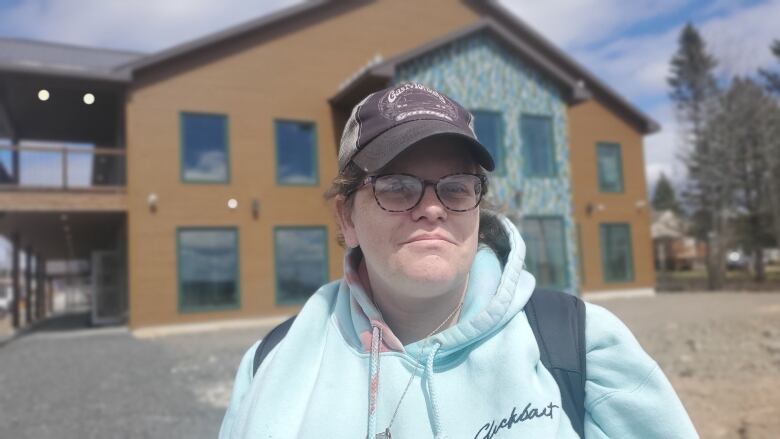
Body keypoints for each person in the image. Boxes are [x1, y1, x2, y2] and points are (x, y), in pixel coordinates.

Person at [219, 83, 698, 438]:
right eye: (396, 186)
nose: (432, 207)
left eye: (455, 188)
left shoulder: (581, 344)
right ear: (346, 217)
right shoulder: (272, 362)